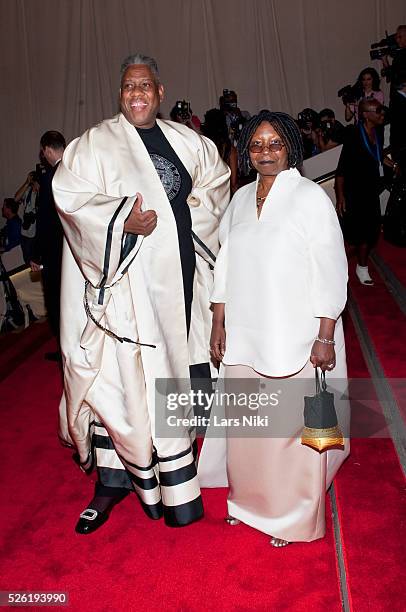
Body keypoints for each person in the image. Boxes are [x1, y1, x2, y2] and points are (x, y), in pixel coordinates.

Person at [52, 53, 230, 534]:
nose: (137, 93)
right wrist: (119, 221)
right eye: (129, 86)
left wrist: (185, 217)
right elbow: (68, 196)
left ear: (161, 91)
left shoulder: (186, 140)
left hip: (179, 280)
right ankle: (112, 484)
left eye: (145, 86)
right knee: (122, 384)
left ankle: (175, 485)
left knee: (173, 377)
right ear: (120, 93)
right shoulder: (93, 145)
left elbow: (217, 182)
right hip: (124, 290)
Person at [198, 110, 349, 546]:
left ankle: (289, 517)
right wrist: (218, 322)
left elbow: (330, 269)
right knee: (248, 426)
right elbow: (223, 266)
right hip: (246, 332)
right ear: (246, 151)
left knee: (289, 432)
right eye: (257, 145)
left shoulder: (309, 198)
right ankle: (247, 502)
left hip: (294, 334)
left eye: (275, 143)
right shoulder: (240, 199)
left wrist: (325, 335)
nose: (265, 152)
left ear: (291, 148)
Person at [335, 98, 396, 285]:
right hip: (356, 192)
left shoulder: (377, 131)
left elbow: (376, 154)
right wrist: (340, 196)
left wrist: (391, 164)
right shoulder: (353, 136)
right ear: (365, 115)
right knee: (360, 234)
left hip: (371, 191)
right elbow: (341, 169)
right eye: (377, 110)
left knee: (371, 231)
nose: (382, 113)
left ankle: (358, 265)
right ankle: (359, 268)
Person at [30, 131, 66, 359]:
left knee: (56, 302)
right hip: (78, 250)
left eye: (43, 152)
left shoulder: (49, 178)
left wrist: (35, 254)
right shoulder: (78, 171)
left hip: (55, 251)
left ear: (47, 150)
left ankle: (65, 351)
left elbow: (43, 220)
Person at [201, 108, 238, 194]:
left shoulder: (202, 145)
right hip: (223, 195)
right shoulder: (229, 149)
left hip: (205, 194)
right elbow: (234, 182)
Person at [15, 171, 41, 264]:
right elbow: (16, 199)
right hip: (25, 230)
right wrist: (27, 183)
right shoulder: (28, 191)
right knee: (26, 259)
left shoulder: (42, 193)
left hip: (36, 233)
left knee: (34, 260)